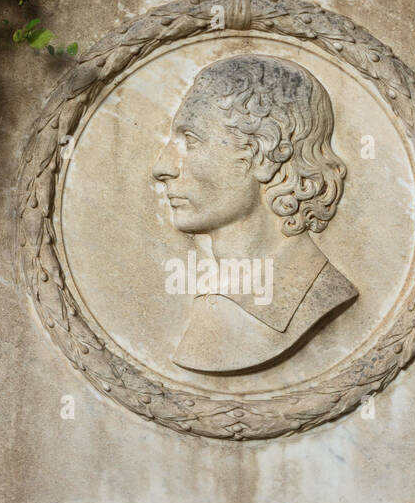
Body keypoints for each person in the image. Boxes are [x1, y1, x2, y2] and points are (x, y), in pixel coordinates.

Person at [152, 54, 358, 374]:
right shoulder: (221, 297)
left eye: (190, 140)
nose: (163, 168)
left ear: (266, 153)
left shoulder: (303, 296)